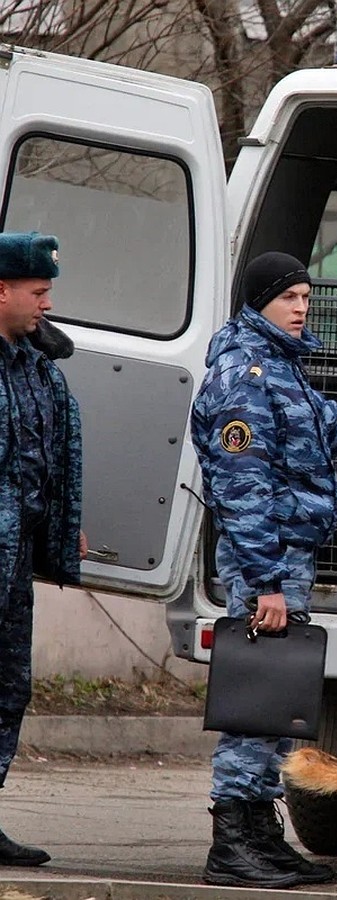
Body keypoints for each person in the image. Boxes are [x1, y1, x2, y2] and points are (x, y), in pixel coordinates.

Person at [190, 251, 337, 889]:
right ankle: (233, 845)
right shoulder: (244, 374)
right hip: (265, 563)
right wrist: (266, 581)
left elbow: (325, 423)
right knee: (259, 699)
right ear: (260, 300)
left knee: (277, 705)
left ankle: (260, 837)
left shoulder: (281, 368)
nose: (302, 307)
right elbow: (243, 486)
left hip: (285, 558)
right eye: (290, 297)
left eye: (306, 296)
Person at [0, 232, 86, 867]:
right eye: (38, 291)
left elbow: (42, 455)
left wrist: (62, 520)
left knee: (8, 688)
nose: (47, 304)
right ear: (1, 289)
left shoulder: (34, 366)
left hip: (15, 558)